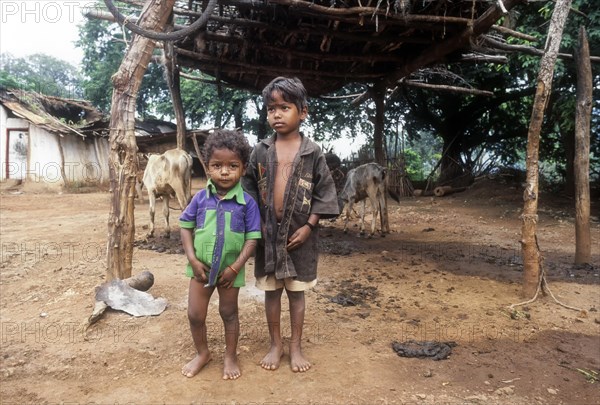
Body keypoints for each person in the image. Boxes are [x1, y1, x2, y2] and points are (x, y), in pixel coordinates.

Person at [242, 76, 340, 372]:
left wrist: (309, 226)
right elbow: (247, 185)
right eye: (271, 108)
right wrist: (254, 220)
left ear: (303, 111)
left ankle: (295, 347)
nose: (276, 114)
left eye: (285, 107)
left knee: (296, 294)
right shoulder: (260, 150)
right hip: (267, 235)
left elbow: (325, 192)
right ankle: (276, 345)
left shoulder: (312, 152)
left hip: (301, 237)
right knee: (271, 292)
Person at [179, 129, 261, 380]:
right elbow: (185, 226)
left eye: (232, 165)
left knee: (229, 313)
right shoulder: (200, 199)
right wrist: (193, 259)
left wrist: (236, 266)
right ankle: (202, 353)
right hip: (200, 269)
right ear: (208, 167)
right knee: (194, 314)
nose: (224, 172)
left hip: (230, 271)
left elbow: (252, 238)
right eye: (217, 165)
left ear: (243, 168)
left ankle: (230, 355)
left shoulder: (247, 203)